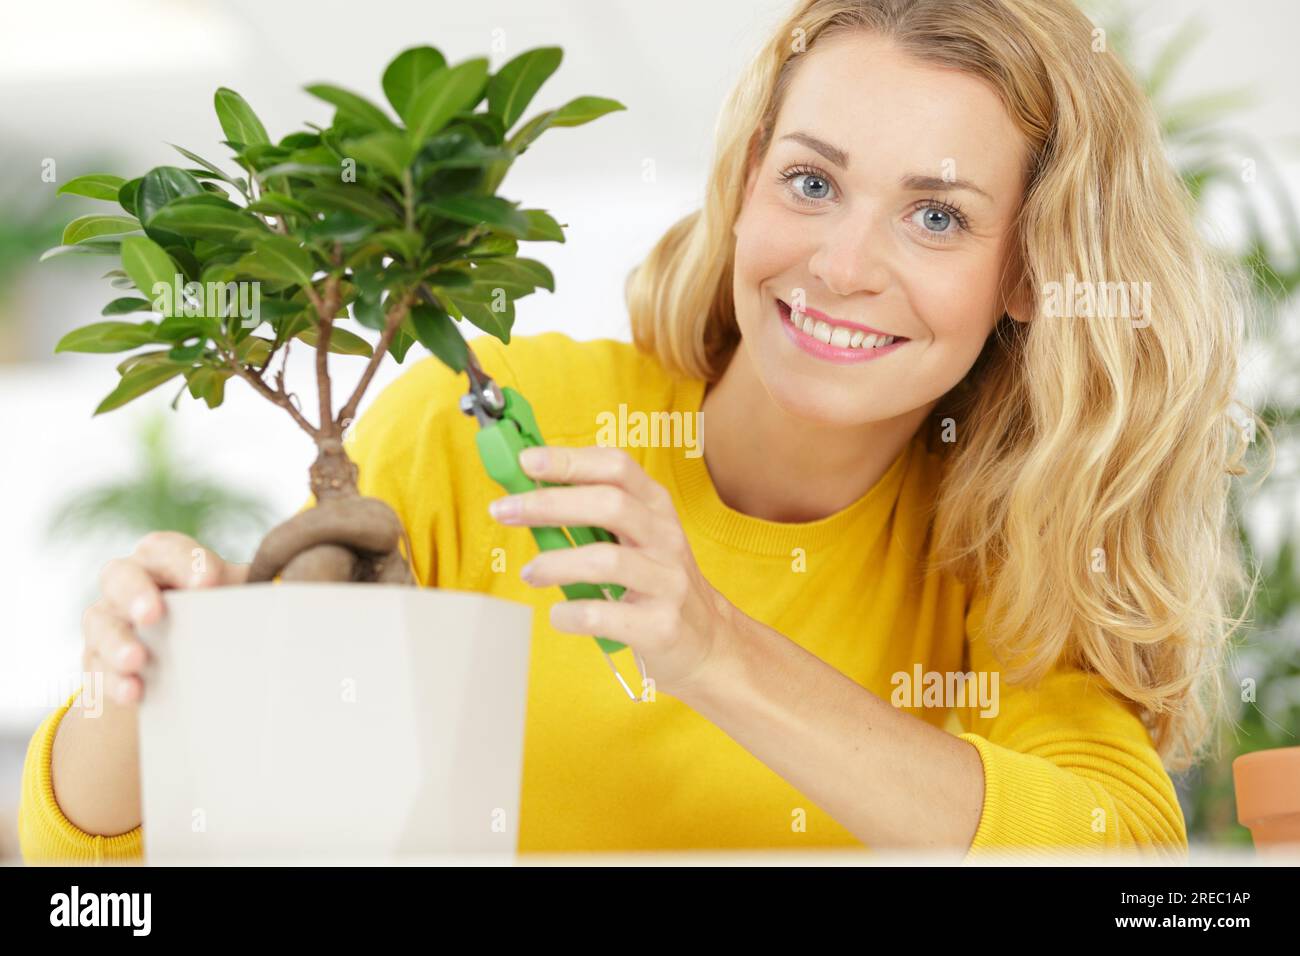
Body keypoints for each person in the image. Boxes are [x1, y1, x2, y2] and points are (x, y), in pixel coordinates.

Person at [20, 0, 1261, 861]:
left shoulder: (1004, 550)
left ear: (1031, 271)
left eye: (935, 216)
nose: (838, 265)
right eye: (812, 181)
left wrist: (713, 647)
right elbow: (99, 858)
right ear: (746, 182)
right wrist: (141, 683)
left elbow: (1126, 855)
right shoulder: (492, 419)